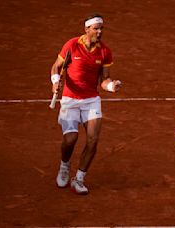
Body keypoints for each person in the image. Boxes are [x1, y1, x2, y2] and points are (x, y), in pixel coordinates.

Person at [50, 14, 121, 195]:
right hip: (70, 100)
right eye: (96, 28)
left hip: (91, 100)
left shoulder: (105, 51)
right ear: (87, 29)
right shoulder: (72, 45)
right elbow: (56, 66)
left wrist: (112, 86)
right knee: (70, 139)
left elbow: (104, 81)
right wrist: (56, 81)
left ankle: (79, 179)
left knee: (93, 140)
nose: (99, 31)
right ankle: (64, 166)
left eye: (101, 28)